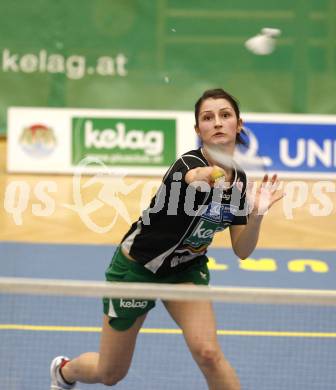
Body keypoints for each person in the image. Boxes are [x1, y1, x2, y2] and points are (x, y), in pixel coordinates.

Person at [50, 88, 284, 390]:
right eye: (207, 117)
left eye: (225, 116)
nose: (217, 122)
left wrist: (257, 215)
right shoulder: (186, 165)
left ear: (238, 124)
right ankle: (65, 372)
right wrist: (208, 176)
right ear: (198, 129)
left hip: (184, 272)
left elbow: (242, 249)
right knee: (110, 373)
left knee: (209, 354)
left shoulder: (239, 181)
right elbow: (193, 177)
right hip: (136, 271)